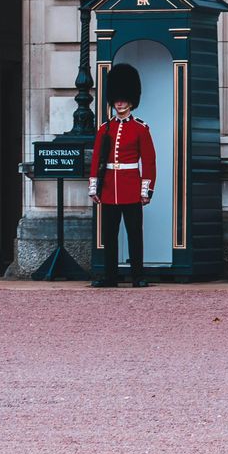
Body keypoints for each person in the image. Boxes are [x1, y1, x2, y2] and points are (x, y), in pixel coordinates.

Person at [88, 63, 156, 288]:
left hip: (130, 187)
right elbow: (97, 159)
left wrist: (145, 190)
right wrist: (94, 187)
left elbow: (148, 161)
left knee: (135, 234)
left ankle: (138, 275)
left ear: (131, 100)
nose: (120, 102)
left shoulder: (140, 128)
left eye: (124, 98)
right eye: (117, 98)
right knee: (110, 236)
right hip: (109, 188)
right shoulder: (105, 128)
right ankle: (110, 276)